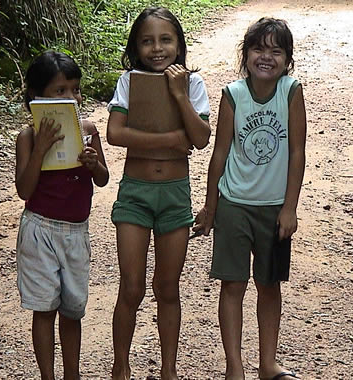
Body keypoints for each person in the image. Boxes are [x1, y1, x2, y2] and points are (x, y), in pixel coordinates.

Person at [193, 17, 306, 380]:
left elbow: (298, 152)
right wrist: (211, 207)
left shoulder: (291, 91)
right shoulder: (233, 94)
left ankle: (268, 362)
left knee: (269, 284)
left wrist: (290, 207)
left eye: (276, 50)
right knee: (233, 284)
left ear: (288, 59)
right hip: (234, 203)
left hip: (274, 208)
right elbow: (220, 154)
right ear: (246, 55)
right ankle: (234, 366)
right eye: (259, 48)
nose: (266, 57)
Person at [105, 6, 211, 380]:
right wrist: (170, 140)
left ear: (179, 44)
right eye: (147, 41)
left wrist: (180, 96)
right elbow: (114, 134)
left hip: (175, 196)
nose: (157, 48)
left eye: (166, 39)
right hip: (135, 194)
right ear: (136, 46)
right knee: (131, 287)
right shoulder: (128, 81)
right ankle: (121, 366)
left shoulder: (193, 85)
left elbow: (199, 139)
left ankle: (169, 369)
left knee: (167, 287)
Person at [15, 50, 109, 380]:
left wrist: (94, 163)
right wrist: (40, 150)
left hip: (76, 233)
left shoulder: (87, 130)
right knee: (44, 309)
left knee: (72, 310)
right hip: (39, 230)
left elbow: (103, 178)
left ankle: (73, 374)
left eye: (75, 89)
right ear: (35, 97)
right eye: (60, 91)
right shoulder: (27, 138)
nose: (71, 97)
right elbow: (24, 190)